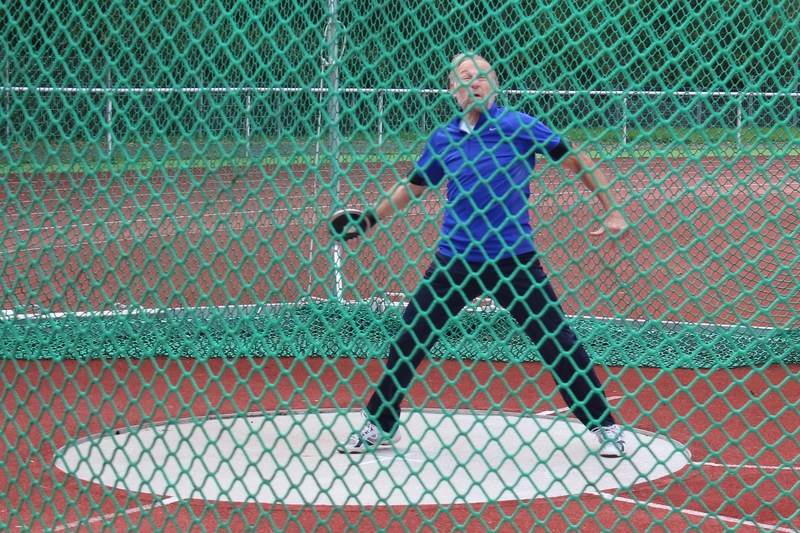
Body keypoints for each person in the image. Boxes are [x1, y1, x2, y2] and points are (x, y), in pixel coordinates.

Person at [334, 52, 630, 458]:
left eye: (483, 76)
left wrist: (611, 207)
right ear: (452, 89)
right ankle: (382, 423)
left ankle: (605, 426)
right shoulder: (444, 139)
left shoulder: (519, 126)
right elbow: (412, 187)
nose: (475, 82)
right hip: (455, 261)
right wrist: (369, 219)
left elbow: (575, 159)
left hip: (514, 261)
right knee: (409, 339)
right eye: (466, 76)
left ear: (495, 85)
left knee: (558, 343)